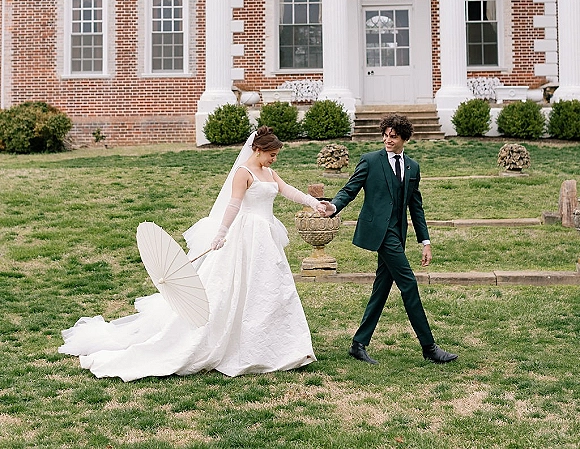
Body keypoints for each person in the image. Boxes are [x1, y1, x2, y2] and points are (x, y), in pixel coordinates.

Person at [59, 126, 327, 380]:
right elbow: (233, 205)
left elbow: (287, 190)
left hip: (265, 237)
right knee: (229, 289)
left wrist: (315, 203)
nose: (274, 160)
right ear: (257, 150)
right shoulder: (244, 172)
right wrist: (221, 233)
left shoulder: (269, 174)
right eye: (272, 155)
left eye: (276, 156)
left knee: (270, 288)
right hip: (245, 236)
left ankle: (279, 347)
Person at [320, 113, 458, 365]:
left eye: (393, 136)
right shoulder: (370, 161)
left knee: (381, 289)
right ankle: (429, 347)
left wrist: (425, 241)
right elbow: (351, 188)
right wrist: (334, 207)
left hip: (398, 233)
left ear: (404, 138)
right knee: (409, 283)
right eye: (385, 135)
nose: (388, 140)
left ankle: (358, 344)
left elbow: (416, 207)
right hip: (380, 234)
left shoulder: (412, 167)